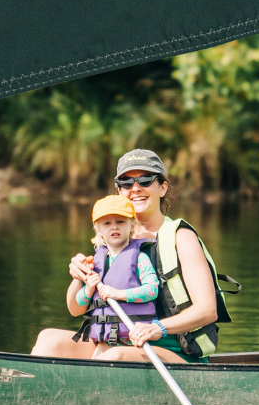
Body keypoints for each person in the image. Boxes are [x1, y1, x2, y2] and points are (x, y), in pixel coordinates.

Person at [32, 148, 233, 362]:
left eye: (145, 180)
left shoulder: (180, 237)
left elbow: (207, 310)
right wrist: (77, 277)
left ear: (162, 187)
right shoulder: (112, 238)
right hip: (113, 343)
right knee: (48, 340)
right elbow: (75, 309)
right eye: (126, 183)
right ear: (119, 191)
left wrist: (158, 328)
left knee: (115, 356)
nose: (135, 188)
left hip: (172, 351)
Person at [71, 194, 162, 349]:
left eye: (120, 221)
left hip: (134, 340)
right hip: (103, 340)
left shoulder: (140, 258)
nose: (114, 227)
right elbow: (79, 302)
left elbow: (152, 290)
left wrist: (119, 294)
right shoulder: (94, 263)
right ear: (98, 229)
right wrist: (87, 290)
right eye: (107, 223)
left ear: (132, 225)